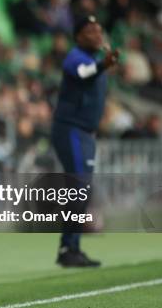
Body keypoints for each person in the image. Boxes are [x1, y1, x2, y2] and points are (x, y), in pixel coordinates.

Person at [51, 15, 118, 267]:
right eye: (90, 30)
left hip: (86, 133)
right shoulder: (76, 57)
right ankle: (68, 247)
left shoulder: (94, 60)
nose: (97, 33)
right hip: (71, 130)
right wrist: (102, 65)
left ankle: (72, 247)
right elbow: (82, 73)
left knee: (82, 189)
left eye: (99, 29)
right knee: (79, 186)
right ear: (78, 36)